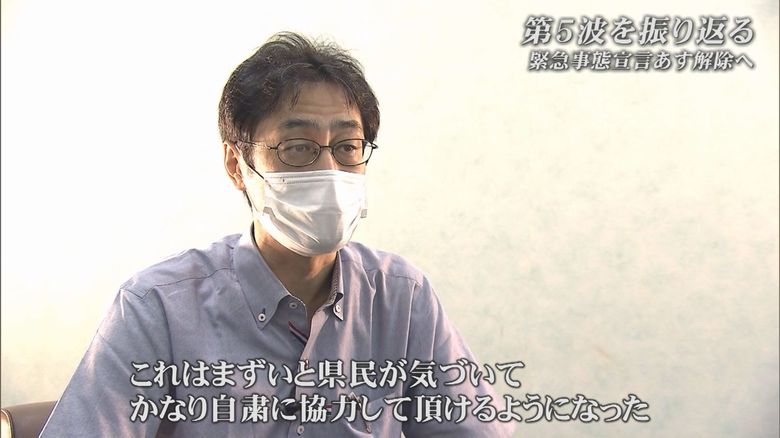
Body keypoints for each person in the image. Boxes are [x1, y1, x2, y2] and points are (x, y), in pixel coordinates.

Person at [40, 32, 515, 437]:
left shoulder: (401, 296)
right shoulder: (157, 306)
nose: (330, 170)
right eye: (297, 147)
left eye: (348, 146)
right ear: (237, 165)